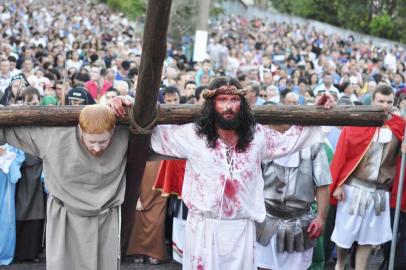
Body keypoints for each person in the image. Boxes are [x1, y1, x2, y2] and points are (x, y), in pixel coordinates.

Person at [111, 76, 335, 269]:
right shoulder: (192, 135)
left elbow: (293, 139)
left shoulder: (258, 137)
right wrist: (126, 103)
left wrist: (317, 110)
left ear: (243, 103)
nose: (229, 106)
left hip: (242, 230)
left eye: (234, 99)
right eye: (222, 100)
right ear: (211, 104)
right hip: (203, 229)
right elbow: (148, 130)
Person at [0, 104, 130, 270]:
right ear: (80, 129)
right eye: (91, 141)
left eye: (103, 141)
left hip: (105, 220)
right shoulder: (53, 136)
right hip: (64, 218)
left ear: (113, 131)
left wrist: (134, 106)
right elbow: (7, 132)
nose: (97, 148)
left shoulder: (124, 135)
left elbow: (157, 135)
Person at [329, 84, 405, 270]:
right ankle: (340, 264)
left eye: (389, 101)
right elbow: (343, 154)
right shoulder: (359, 122)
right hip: (354, 189)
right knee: (344, 237)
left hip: (379, 192)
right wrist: (339, 184)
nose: (385, 105)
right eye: (381, 101)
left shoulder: (399, 126)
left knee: (368, 240)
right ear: (373, 100)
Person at [256, 141, 331, 270]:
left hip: (300, 223)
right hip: (266, 220)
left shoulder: (314, 144)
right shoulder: (262, 141)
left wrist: (321, 218)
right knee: (263, 267)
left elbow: (323, 185)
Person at [0, 144, 25, 265]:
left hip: (6, 178)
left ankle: (4, 254)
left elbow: (20, 156)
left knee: (6, 217)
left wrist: (6, 155)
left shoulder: (12, 142)